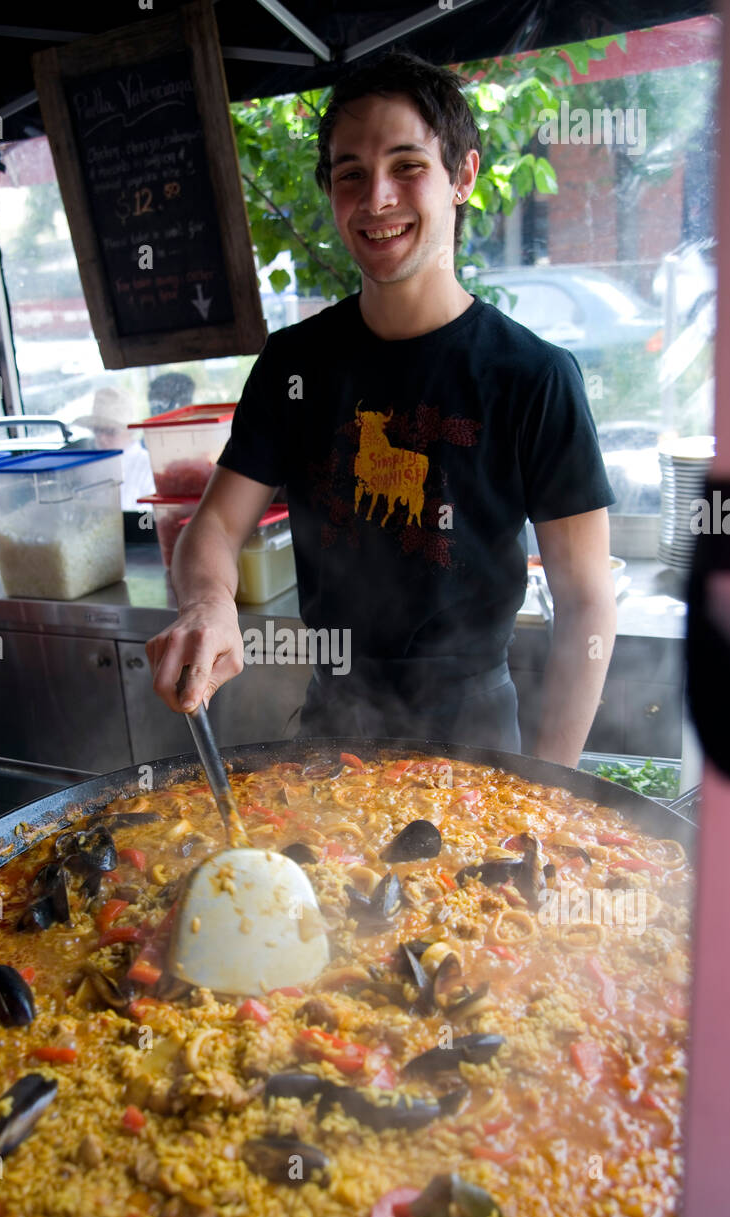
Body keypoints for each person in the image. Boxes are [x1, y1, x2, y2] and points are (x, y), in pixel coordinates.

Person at [148, 51, 617, 768]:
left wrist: (547, 790)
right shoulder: (293, 364)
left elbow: (585, 601)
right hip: (332, 732)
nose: (376, 200)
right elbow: (213, 524)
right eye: (349, 176)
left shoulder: (533, 377)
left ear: (461, 176)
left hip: (479, 742)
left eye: (407, 166)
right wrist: (206, 602)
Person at [73, 386, 151, 511]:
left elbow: (147, 523)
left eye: (110, 431)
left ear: (130, 432)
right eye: (97, 430)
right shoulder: (88, 467)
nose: (102, 438)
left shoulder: (148, 467)